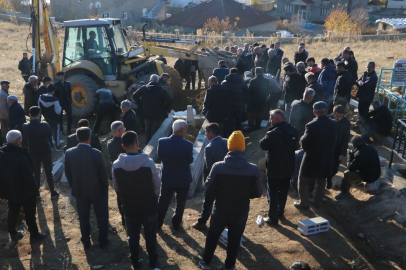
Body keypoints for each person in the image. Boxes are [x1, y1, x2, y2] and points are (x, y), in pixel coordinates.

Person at [199, 131, 262, 270]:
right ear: (243, 147)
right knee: (235, 239)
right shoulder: (253, 169)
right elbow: (258, 192)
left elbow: (207, 188)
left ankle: (206, 263)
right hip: (241, 210)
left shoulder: (218, 166)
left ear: (229, 148)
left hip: (220, 208)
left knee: (213, 236)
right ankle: (230, 266)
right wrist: (245, 196)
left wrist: (219, 194)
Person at [112, 131, 161, 270]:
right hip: (149, 207)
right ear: (137, 142)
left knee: (133, 237)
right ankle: (153, 263)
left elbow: (116, 187)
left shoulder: (116, 165)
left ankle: (135, 262)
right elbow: (156, 186)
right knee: (151, 237)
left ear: (123, 146)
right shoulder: (148, 163)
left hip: (129, 208)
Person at [65, 127, 109, 248]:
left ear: (77, 138)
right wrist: (105, 188)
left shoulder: (69, 153)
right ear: (89, 138)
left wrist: (74, 186)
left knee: (83, 217)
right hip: (97, 190)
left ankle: (85, 240)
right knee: (101, 216)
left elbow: (68, 173)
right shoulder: (96, 153)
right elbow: (103, 174)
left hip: (79, 190)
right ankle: (103, 240)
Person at [0, 130, 48, 243]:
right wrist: (35, 190)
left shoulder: (2, 154)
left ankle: (12, 233)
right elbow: (28, 176)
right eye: (21, 138)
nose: (22, 140)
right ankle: (34, 235)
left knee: (12, 211)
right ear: (17, 141)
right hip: (25, 191)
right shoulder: (21, 156)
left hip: (10, 189)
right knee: (30, 214)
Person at [294, 102, 338, 209]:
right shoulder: (335, 124)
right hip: (327, 158)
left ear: (314, 112)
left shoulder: (311, 125)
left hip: (311, 158)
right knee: (321, 181)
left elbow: (304, 144)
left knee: (303, 180)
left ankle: (304, 203)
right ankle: (317, 202)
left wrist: (301, 140)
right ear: (327, 111)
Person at [260, 110, 297, 225]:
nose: (270, 120)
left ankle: (273, 218)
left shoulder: (273, 133)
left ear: (276, 119)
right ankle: (280, 212)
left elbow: (263, 144)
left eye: (271, 118)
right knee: (283, 192)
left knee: (273, 193)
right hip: (288, 167)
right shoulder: (293, 130)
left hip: (275, 169)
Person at [157, 120, 193, 230]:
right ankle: (176, 224)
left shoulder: (162, 142)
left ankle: (158, 223)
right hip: (183, 178)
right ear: (182, 131)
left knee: (163, 201)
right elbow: (190, 160)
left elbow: (160, 155)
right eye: (186, 130)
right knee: (180, 203)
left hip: (167, 177)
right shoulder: (188, 145)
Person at [193, 123, 228, 229]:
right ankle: (224, 221)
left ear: (211, 133)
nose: (205, 135)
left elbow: (209, 167)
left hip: (213, 180)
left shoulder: (209, 147)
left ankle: (202, 221)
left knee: (208, 201)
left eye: (206, 132)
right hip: (226, 178)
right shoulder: (227, 142)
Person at [22, 106, 59, 199]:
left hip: (33, 152)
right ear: (39, 114)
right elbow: (50, 138)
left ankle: (37, 193)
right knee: (48, 172)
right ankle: (53, 192)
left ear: (30, 115)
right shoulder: (45, 125)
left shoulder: (25, 126)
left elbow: (25, 139)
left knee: (36, 173)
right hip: (45, 151)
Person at [133, 74, 173, 145]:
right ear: (158, 81)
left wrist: (140, 104)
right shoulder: (162, 89)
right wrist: (165, 107)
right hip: (158, 113)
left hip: (146, 112)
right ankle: (154, 145)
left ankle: (147, 143)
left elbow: (135, 95)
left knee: (147, 128)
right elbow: (170, 100)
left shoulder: (144, 88)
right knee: (155, 129)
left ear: (150, 80)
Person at [107, 121, 126, 226]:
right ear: (119, 131)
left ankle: (123, 217)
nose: (125, 130)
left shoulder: (110, 143)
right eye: (123, 128)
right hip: (126, 173)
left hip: (116, 173)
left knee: (119, 197)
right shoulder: (124, 144)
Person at [326, 105, 350, 189]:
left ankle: (329, 179)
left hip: (337, 148)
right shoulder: (327, 119)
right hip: (326, 147)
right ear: (333, 113)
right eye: (337, 116)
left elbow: (346, 138)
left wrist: (342, 153)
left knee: (334, 168)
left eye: (341, 116)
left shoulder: (346, 122)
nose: (339, 118)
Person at [222, 68, 248, 135]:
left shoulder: (224, 83)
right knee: (238, 121)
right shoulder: (242, 82)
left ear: (229, 73)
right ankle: (238, 136)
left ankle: (230, 136)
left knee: (229, 121)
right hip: (240, 105)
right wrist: (243, 103)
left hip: (229, 106)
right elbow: (247, 94)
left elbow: (222, 95)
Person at [38, 84, 63, 150]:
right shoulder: (55, 99)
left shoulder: (41, 97)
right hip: (55, 118)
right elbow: (58, 111)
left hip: (46, 117)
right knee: (56, 132)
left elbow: (39, 107)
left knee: (49, 131)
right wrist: (60, 108)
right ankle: (58, 145)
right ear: (53, 91)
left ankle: (51, 144)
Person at [247, 67, 270, 132]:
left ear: (255, 72)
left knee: (251, 115)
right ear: (262, 72)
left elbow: (249, 91)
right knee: (260, 115)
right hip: (262, 100)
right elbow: (267, 91)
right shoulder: (267, 81)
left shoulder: (252, 81)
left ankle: (251, 129)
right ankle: (257, 128)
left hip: (253, 100)